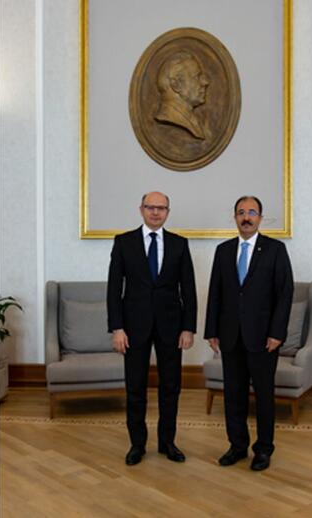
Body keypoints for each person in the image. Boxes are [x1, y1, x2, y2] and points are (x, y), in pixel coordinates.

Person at [107, 191, 198, 466]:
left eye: (161, 208)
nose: (155, 212)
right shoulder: (124, 242)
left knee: (171, 387)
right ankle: (137, 444)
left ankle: (167, 442)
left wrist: (188, 328)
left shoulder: (179, 244)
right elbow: (114, 289)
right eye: (150, 207)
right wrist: (117, 328)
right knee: (135, 387)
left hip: (172, 327)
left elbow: (189, 289)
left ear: (168, 212)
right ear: (141, 209)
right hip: (133, 327)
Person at [204, 195, 294, 471]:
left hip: (264, 338)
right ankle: (237, 445)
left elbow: (285, 294)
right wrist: (211, 330)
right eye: (241, 212)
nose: (246, 217)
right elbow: (215, 292)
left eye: (252, 212)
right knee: (234, 394)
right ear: (235, 217)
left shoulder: (275, 250)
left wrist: (277, 333)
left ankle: (264, 449)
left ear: (260, 218)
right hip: (230, 336)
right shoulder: (223, 251)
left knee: (264, 396)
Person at [154, 51, 210, 140]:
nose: (205, 82)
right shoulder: (170, 118)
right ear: (176, 85)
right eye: (197, 77)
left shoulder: (193, 119)